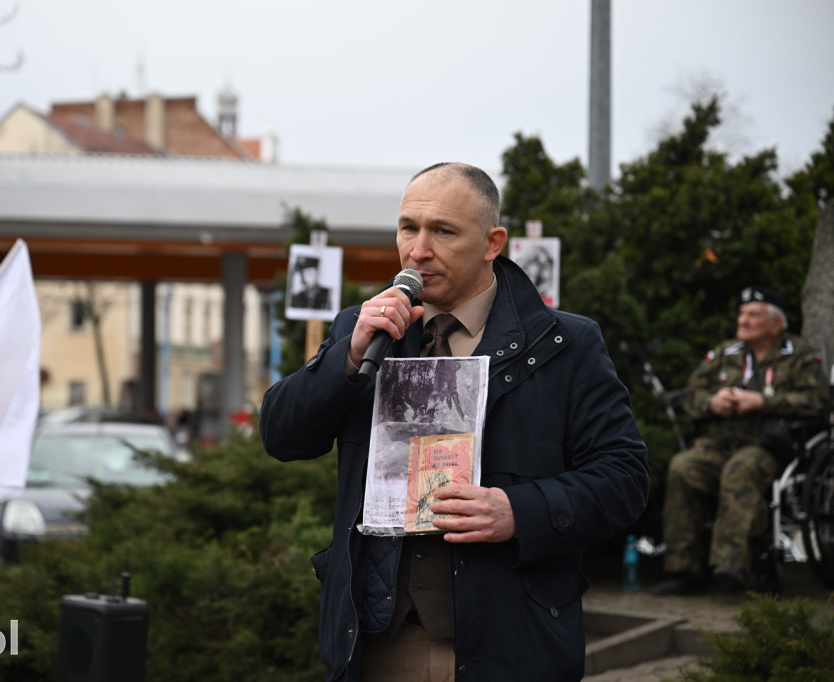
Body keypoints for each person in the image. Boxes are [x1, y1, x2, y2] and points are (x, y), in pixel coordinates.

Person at [259, 163, 650, 681]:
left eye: (443, 231)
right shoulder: (366, 330)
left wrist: (518, 511)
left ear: (493, 243)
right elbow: (282, 437)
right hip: (378, 645)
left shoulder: (563, 346)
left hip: (507, 644)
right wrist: (346, 361)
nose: (419, 250)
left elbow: (624, 478)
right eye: (408, 228)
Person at [651, 286, 830, 596]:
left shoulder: (798, 354)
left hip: (766, 445)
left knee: (741, 468)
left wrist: (762, 401)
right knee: (684, 467)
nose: (743, 320)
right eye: (742, 313)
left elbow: (818, 401)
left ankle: (731, 566)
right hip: (719, 442)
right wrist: (712, 402)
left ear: (776, 323)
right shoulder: (725, 353)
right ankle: (685, 569)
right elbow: (690, 395)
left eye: (753, 314)